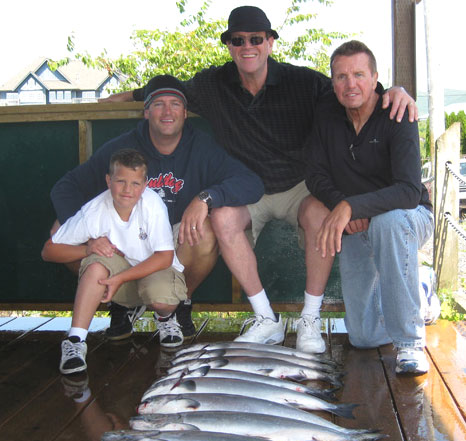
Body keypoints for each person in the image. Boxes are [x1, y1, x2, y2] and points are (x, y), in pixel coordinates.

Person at [103, 6, 418, 352]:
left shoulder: (303, 82)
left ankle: (310, 319)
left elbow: (351, 87)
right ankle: (266, 318)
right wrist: (124, 98)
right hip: (248, 188)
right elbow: (169, 89)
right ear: (229, 46)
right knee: (221, 218)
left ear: (270, 43)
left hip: (300, 185)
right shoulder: (213, 84)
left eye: (256, 39)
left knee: (319, 214)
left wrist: (394, 90)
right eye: (238, 40)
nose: (247, 46)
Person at [50, 75, 264, 343]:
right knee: (61, 229)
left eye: (175, 104)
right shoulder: (123, 147)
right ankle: (123, 302)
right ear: (146, 111)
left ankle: (178, 303)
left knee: (205, 230)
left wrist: (205, 198)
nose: (167, 112)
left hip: (173, 241)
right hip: (125, 242)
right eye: (159, 104)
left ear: (185, 113)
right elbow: (65, 187)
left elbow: (251, 183)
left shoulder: (202, 147)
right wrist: (90, 239)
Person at [303, 40, 433, 375]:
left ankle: (409, 343)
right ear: (332, 83)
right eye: (341, 77)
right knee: (361, 337)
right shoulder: (327, 116)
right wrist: (343, 206)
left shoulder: (398, 113)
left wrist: (351, 205)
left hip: (408, 218)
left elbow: (408, 192)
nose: (351, 84)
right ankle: (419, 291)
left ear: (376, 79)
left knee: (389, 222)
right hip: (358, 224)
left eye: (359, 74)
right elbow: (315, 175)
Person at [42, 148, 188, 373]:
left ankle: (165, 318)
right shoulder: (94, 210)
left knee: (162, 301)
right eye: (121, 181)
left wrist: (119, 278)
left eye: (136, 184)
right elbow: (49, 251)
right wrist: (88, 248)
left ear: (145, 184)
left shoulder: (152, 204)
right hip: (123, 279)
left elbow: (165, 257)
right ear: (109, 180)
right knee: (96, 261)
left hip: (154, 272)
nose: (128, 190)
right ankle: (75, 341)